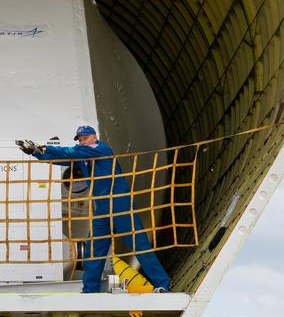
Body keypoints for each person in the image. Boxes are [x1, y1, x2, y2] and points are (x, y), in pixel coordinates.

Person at [15, 125, 171, 294]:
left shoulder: (101, 149)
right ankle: (90, 290)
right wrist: (35, 153)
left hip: (120, 205)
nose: (82, 141)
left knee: (139, 245)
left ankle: (162, 283)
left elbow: (69, 153)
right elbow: (59, 159)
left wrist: (45, 146)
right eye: (80, 139)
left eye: (85, 138)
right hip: (102, 208)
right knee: (93, 251)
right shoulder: (85, 157)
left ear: (94, 137)